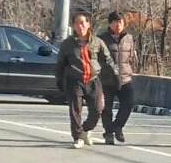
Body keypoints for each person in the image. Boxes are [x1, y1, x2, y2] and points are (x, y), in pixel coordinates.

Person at [55, 11, 118, 149]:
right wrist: (59, 79)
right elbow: (60, 63)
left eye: (83, 22)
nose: (80, 26)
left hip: (93, 80)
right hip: (75, 81)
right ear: (73, 26)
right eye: (77, 23)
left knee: (98, 109)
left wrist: (116, 74)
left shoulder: (97, 42)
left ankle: (85, 129)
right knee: (75, 110)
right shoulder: (67, 44)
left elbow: (107, 59)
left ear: (88, 24)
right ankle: (77, 137)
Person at [98, 11, 138, 145]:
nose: (118, 25)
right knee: (106, 108)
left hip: (125, 78)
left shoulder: (129, 38)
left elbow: (131, 58)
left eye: (121, 22)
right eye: (115, 22)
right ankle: (108, 133)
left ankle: (117, 126)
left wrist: (130, 71)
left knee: (128, 103)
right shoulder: (102, 39)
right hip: (107, 79)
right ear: (110, 23)